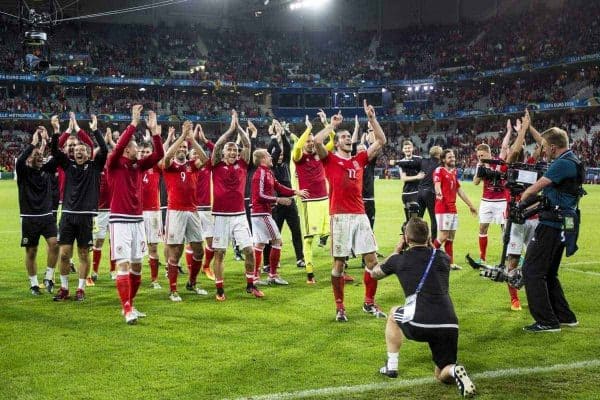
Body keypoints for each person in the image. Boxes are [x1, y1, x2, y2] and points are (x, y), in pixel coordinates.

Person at [368, 217, 476, 398]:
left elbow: (374, 274)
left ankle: (392, 367)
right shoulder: (443, 257)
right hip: (449, 324)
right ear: (428, 237)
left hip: (419, 322)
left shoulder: (398, 260)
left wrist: (396, 251)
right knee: (441, 374)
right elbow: (431, 256)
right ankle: (455, 370)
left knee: (394, 313)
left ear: (406, 239)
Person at [313, 101, 387, 322]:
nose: (348, 140)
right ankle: (340, 307)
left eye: (349, 138)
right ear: (336, 142)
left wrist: (372, 119)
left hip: (360, 215)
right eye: (344, 138)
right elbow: (316, 141)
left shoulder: (359, 160)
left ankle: (368, 303)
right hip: (340, 217)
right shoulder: (330, 160)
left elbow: (381, 141)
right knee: (339, 264)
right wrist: (332, 127)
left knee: (372, 262)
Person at [519, 126, 582, 332]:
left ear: (553, 147)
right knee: (549, 272)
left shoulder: (561, 164)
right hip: (565, 222)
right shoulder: (572, 160)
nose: (543, 150)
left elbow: (536, 187)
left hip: (552, 224)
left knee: (531, 270)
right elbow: (547, 141)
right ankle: (564, 316)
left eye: (545, 147)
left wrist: (521, 199)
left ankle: (547, 321)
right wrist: (530, 128)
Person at [107, 106, 163, 324]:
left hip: (137, 220)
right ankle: (126, 307)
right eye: (134, 147)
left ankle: (130, 303)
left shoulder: (139, 166)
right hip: (120, 220)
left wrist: (155, 133)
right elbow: (119, 145)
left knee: (137, 265)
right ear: (125, 150)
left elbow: (159, 154)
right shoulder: (114, 164)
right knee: (123, 264)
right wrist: (132, 123)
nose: (138, 149)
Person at [51, 114, 107, 302]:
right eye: (76, 150)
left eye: (83, 149)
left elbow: (104, 149)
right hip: (67, 216)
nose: (79, 151)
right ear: (73, 154)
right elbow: (55, 148)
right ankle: (64, 288)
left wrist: (94, 130)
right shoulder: (67, 165)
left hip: (85, 217)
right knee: (65, 254)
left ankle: (81, 288)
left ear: (88, 153)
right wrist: (60, 131)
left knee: (83, 254)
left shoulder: (94, 167)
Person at [211, 110, 263, 301]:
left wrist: (239, 127)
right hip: (220, 215)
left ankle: (250, 285)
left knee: (249, 250)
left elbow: (247, 144)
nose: (233, 152)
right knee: (220, 253)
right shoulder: (216, 164)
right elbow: (216, 146)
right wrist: (229, 130)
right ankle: (219, 289)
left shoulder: (242, 164)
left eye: (235, 150)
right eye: (229, 150)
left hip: (239, 215)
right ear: (224, 153)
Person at [161, 121, 209, 301]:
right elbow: (166, 158)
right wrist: (181, 137)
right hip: (176, 212)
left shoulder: (192, 165)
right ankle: (173, 290)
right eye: (179, 147)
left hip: (193, 211)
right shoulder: (170, 166)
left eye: (184, 147)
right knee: (176, 251)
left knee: (199, 250)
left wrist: (191, 140)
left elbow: (205, 159)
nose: (181, 149)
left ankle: (192, 283)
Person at [251, 148, 308, 285]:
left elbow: (279, 187)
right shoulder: (260, 174)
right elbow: (259, 196)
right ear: (263, 159)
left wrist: (295, 192)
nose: (272, 157)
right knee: (277, 240)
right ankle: (273, 275)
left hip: (262, 213)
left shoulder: (269, 172)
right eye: (269, 156)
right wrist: (278, 200)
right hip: (261, 213)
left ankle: (256, 277)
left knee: (260, 244)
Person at [292, 114, 335, 284]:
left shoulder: (320, 154)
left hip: (325, 199)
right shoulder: (299, 157)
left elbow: (332, 140)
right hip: (309, 202)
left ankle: (339, 268)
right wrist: (308, 129)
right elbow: (297, 146)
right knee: (309, 238)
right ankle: (310, 273)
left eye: (312, 141)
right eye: (308, 141)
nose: (310, 143)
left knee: (331, 234)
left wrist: (327, 123)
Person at [16, 125, 59, 295]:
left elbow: (56, 156)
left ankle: (48, 277)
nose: (40, 157)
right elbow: (20, 161)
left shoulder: (47, 171)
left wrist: (50, 139)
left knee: (54, 245)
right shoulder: (23, 172)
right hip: (29, 217)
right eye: (36, 155)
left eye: (41, 155)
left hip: (47, 216)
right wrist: (33, 144)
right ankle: (34, 284)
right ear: (29, 158)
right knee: (31, 251)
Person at [264, 120, 306, 270]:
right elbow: (272, 149)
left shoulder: (286, 163)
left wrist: (281, 133)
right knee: (274, 235)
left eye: (282, 154)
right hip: (277, 204)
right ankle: (268, 263)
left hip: (290, 201)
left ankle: (300, 258)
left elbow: (287, 148)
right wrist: (273, 136)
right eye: (277, 155)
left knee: (296, 231)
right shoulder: (271, 167)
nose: (281, 155)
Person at [472, 121, 511, 263]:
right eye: (478, 156)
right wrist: (479, 168)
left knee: (505, 229)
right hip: (486, 201)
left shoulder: (498, 162)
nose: (480, 158)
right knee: (483, 228)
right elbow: (475, 183)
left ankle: (509, 256)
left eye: (482, 155)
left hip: (501, 201)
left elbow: (505, 147)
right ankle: (482, 258)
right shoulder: (480, 165)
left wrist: (509, 131)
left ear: (489, 152)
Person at [432, 149, 477, 270]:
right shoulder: (439, 170)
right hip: (443, 208)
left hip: (452, 208)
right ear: (443, 160)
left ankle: (450, 263)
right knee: (443, 236)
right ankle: (428, 259)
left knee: (451, 238)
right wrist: (439, 193)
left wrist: (470, 205)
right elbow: (437, 185)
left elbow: (459, 190)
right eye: (449, 157)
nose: (452, 159)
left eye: (453, 157)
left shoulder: (454, 172)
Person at [141, 139, 163, 289]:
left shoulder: (157, 167)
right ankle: (134, 276)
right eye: (142, 152)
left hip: (154, 212)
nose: (144, 154)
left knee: (153, 247)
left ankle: (154, 280)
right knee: (135, 248)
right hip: (136, 213)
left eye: (147, 152)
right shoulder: (134, 167)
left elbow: (163, 153)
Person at [417, 146, 442, 236]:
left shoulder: (423, 161)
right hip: (430, 192)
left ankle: (416, 240)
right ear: (439, 154)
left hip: (419, 192)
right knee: (434, 218)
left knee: (418, 218)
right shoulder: (440, 165)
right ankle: (433, 241)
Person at [397, 140, 424, 221]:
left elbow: (424, 173)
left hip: (417, 192)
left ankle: (415, 233)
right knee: (409, 219)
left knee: (416, 219)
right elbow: (403, 178)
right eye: (405, 148)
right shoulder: (401, 162)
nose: (407, 149)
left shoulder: (419, 160)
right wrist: (417, 177)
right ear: (402, 150)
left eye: (409, 148)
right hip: (407, 193)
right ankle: (407, 233)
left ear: (412, 149)